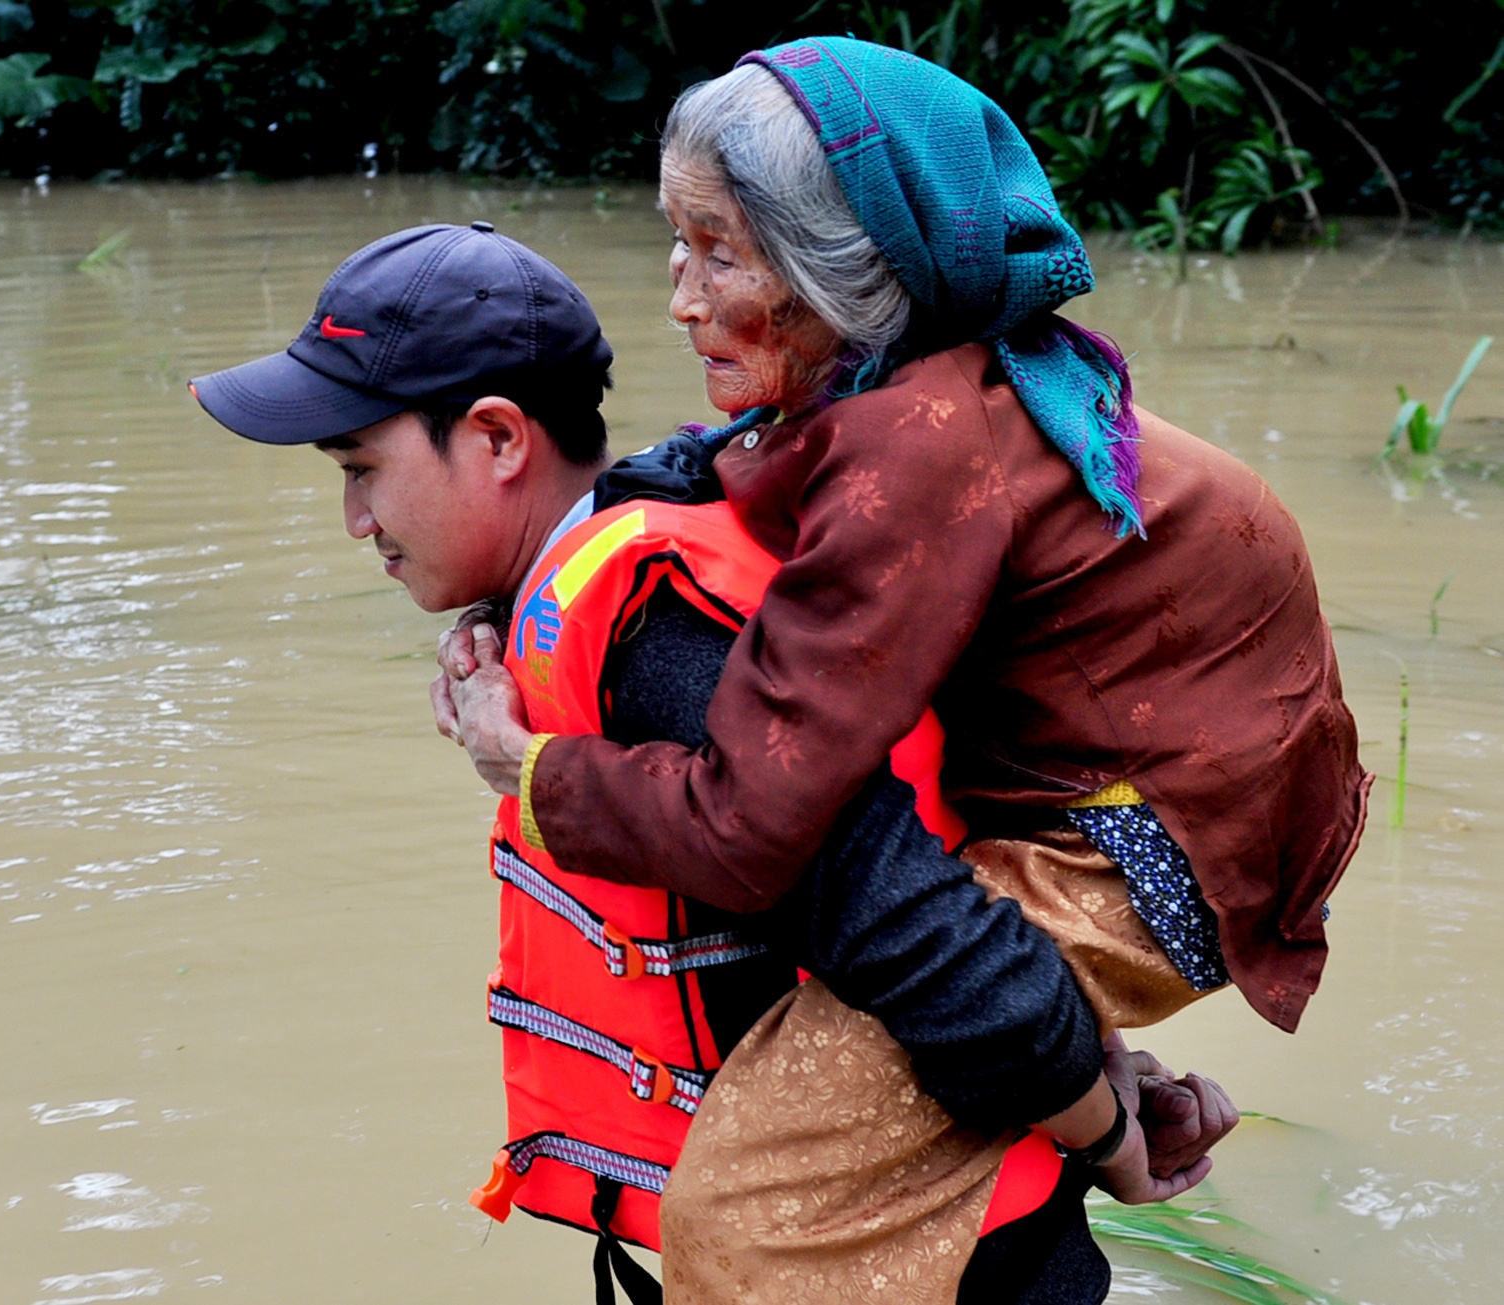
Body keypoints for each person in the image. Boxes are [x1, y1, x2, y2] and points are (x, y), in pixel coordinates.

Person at [437, 36, 1367, 1304]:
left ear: (840, 271)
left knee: (755, 1209)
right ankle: (1102, 1094)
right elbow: (746, 466)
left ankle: (1086, 1089)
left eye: (719, 251)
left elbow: (754, 823)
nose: (679, 296)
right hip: (1143, 775)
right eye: (678, 243)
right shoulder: (925, 379)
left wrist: (528, 765)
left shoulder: (917, 446)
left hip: (1164, 838)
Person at [192, 222, 1235, 1304]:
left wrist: (1108, 1133)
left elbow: (939, 949)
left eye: (363, 468)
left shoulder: (660, 647)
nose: (356, 520)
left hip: (925, 1265)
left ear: (500, 439)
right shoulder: (619, 566)